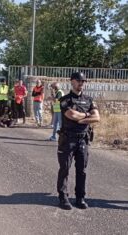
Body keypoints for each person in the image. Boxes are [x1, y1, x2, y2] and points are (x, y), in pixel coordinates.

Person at [57, 72, 100, 210]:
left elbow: (97, 118)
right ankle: (63, 197)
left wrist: (82, 118)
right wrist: (88, 115)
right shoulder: (65, 100)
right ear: (72, 82)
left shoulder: (89, 99)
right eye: (79, 80)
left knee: (82, 170)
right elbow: (71, 115)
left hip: (83, 139)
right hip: (68, 138)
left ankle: (80, 197)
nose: (81, 83)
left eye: (83, 81)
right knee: (65, 169)